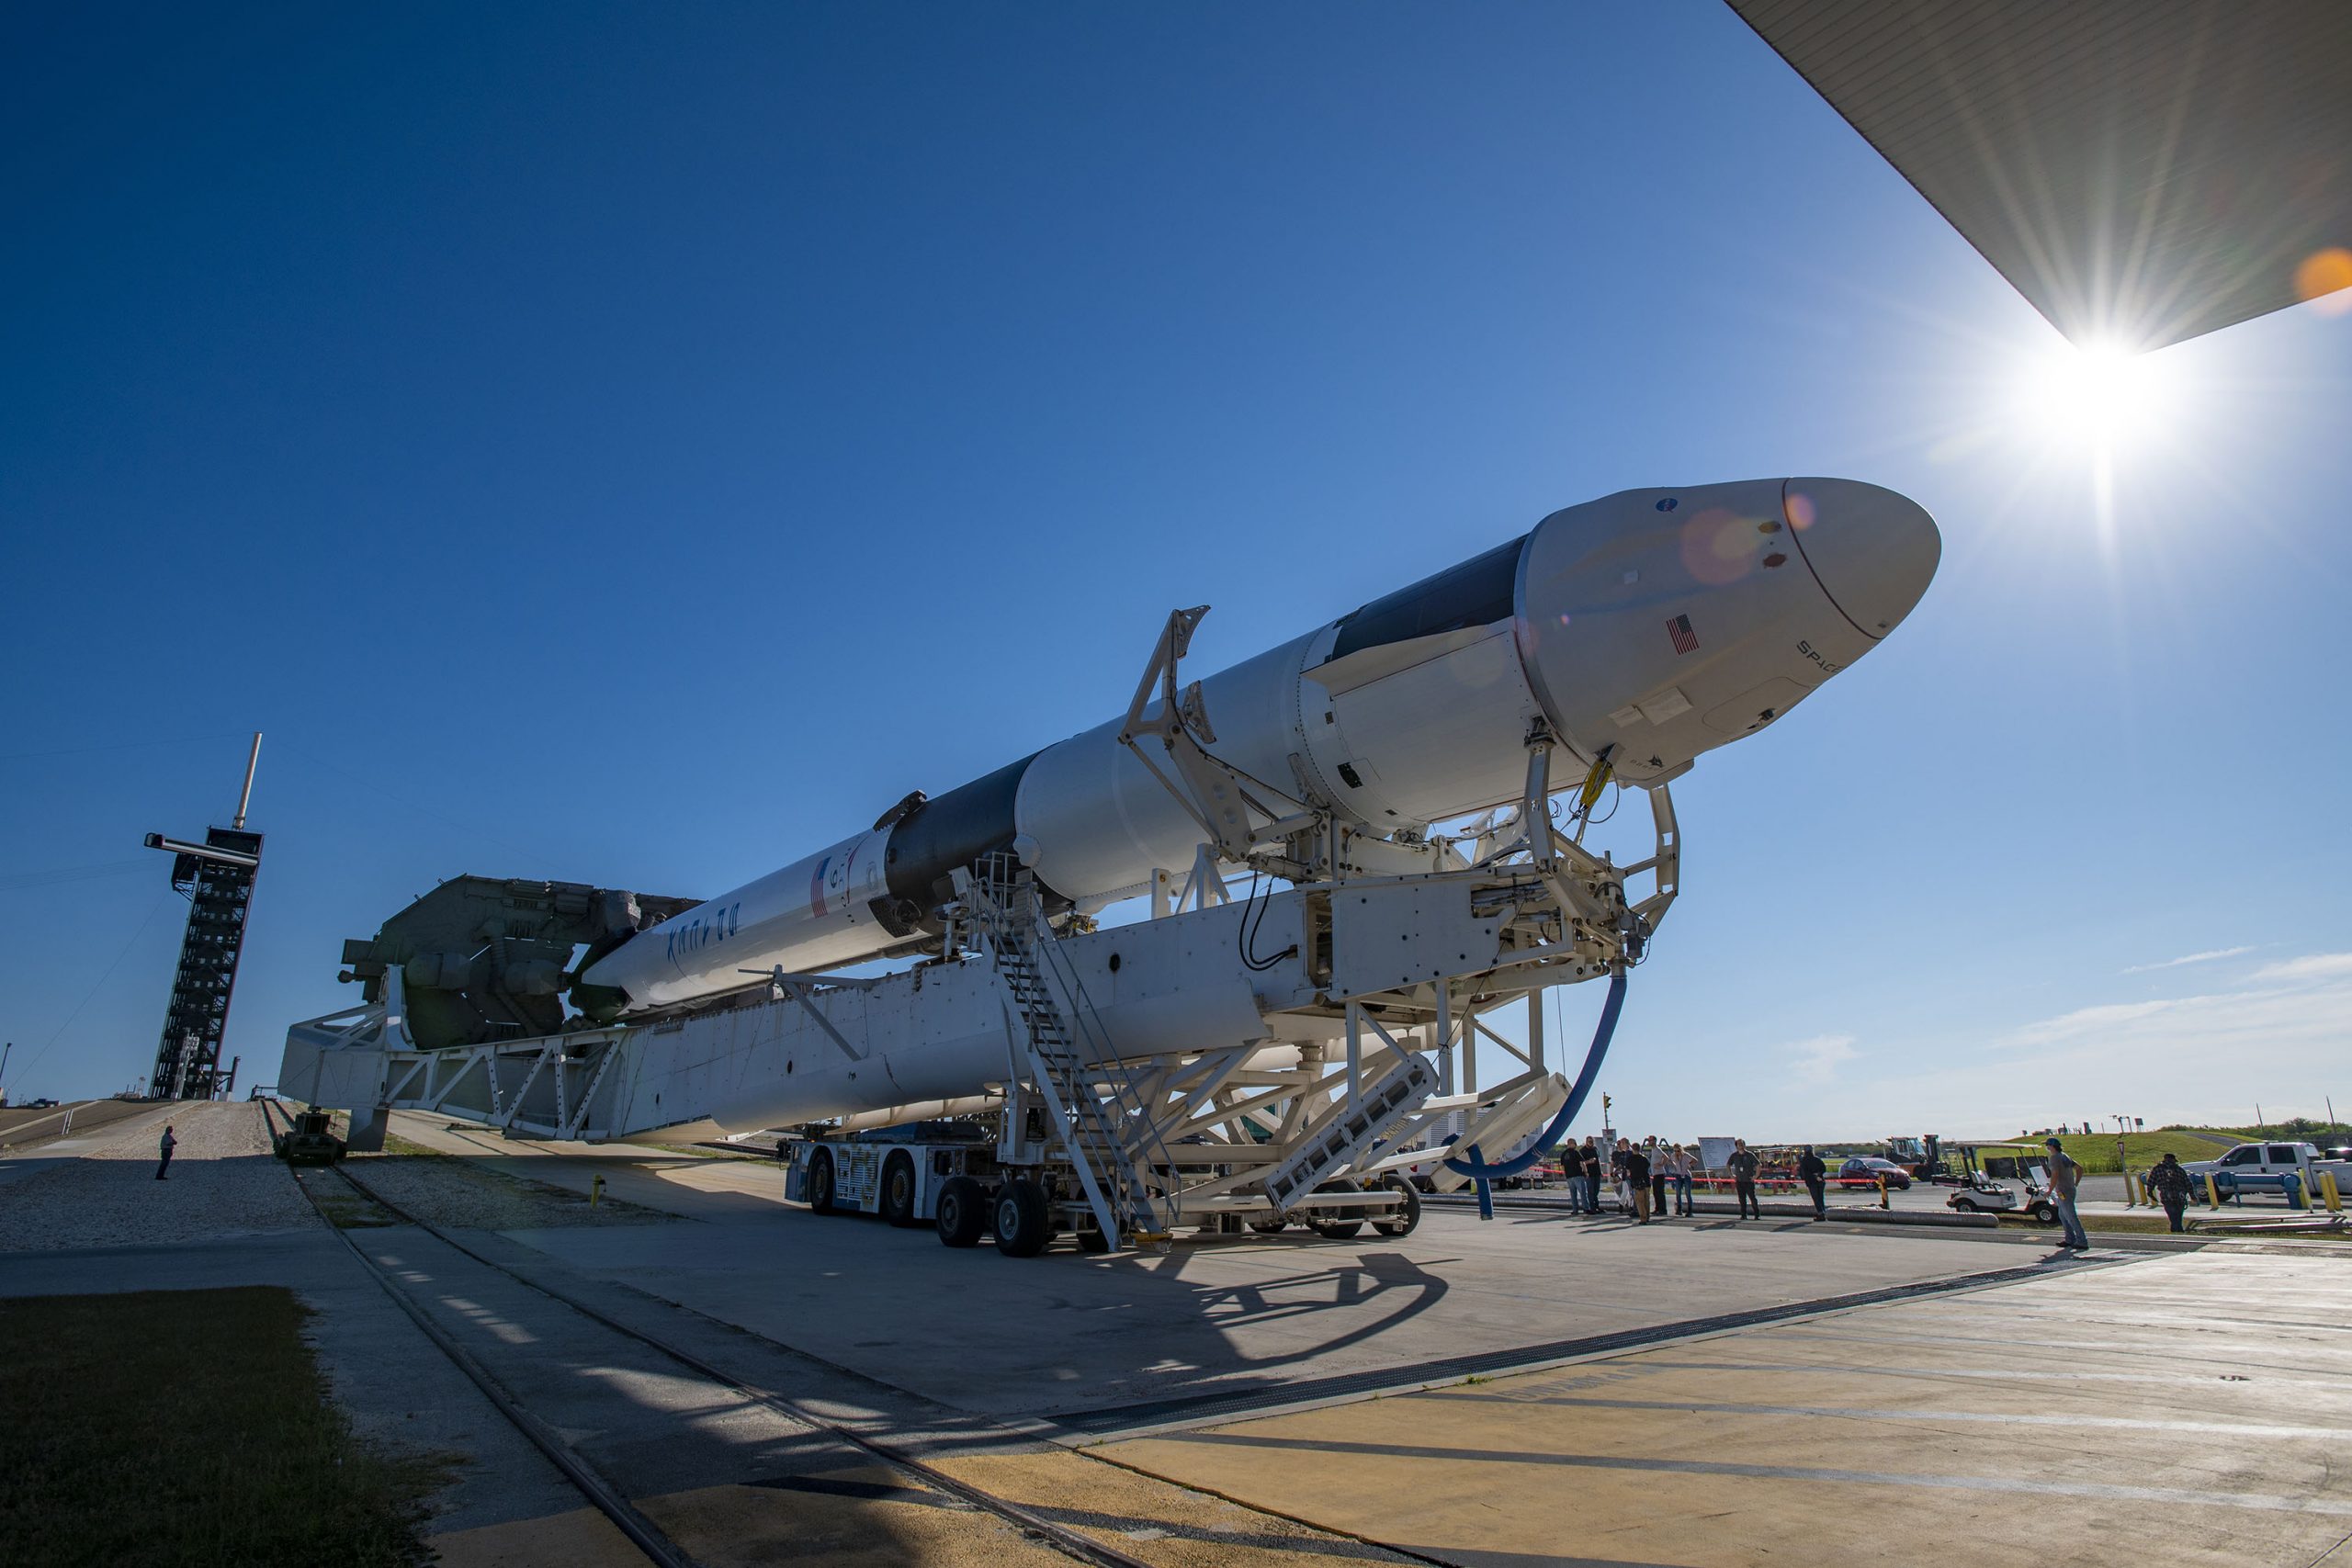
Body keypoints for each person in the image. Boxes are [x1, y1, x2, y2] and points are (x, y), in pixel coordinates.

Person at [2044, 1136, 2090, 1250]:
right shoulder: (2065, 1156)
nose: (2047, 1147)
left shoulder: (2054, 1158)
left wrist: (2050, 1190)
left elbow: (2055, 1174)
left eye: (2047, 1145)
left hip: (2063, 1190)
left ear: (2051, 1146)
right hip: (2068, 1189)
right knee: (2062, 1215)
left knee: (2070, 1216)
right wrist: (2076, 1183)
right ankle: (2070, 1238)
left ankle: (2082, 1240)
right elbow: (2079, 1168)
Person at [2146, 1151, 2193, 1234]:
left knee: (2172, 1214)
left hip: (2166, 1195)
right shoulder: (2179, 1169)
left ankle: (2176, 1230)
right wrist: (2192, 1195)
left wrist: (2150, 1193)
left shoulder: (2157, 1169)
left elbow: (2151, 1182)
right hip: (2180, 1196)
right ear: (2173, 1160)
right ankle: (2178, 1229)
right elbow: (2187, 1183)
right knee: (2178, 1215)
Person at [1728, 1138, 1761, 1219]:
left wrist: (1756, 1176)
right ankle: (1743, 1215)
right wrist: (1732, 1175)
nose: (1741, 1146)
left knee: (1752, 1198)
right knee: (1742, 1199)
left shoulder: (1750, 1155)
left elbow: (1758, 1164)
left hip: (1749, 1180)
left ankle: (1757, 1214)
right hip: (1739, 1181)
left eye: (1742, 1144)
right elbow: (1728, 1165)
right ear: (1736, 1146)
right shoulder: (1734, 1156)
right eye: (1739, 1144)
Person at [1623, 1139, 1653, 1223]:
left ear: (1633, 1149)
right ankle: (1647, 1217)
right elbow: (1647, 1169)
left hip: (1637, 1182)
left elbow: (1628, 1172)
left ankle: (1643, 1218)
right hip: (1646, 1181)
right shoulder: (1644, 1158)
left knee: (1639, 1201)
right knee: (1646, 1200)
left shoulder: (1630, 1159)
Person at [1797, 1145, 1827, 1219]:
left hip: (1811, 1182)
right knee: (1820, 1198)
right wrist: (1818, 1174)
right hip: (1820, 1181)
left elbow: (1803, 1172)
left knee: (1816, 1198)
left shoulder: (1804, 1161)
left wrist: (1806, 1177)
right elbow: (1824, 1168)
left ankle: (1820, 1213)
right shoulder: (1817, 1159)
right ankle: (1823, 1212)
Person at [1646, 1137, 1671, 1219]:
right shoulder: (1653, 1150)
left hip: (1659, 1173)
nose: (1649, 1142)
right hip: (1655, 1174)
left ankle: (1663, 1210)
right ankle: (1657, 1208)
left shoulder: (1657, 1149)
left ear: (1654, 1141)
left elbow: (1666, 1157)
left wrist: (1661, 1164)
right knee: (1655, 1192)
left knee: (1660, 1192)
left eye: (1650, 1140)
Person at [1669, 1144, 1695, 1216]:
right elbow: (1670, 1161)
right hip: (1678, 1175)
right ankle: (1679, 1209)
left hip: (1686, 1175)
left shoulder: (1686, 1155)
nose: (1677, 1152)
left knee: (1688, 1193)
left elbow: (1695, 1160)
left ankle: (1690, 1211)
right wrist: (1675, 1166)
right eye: (1675, 1151)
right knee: (1678, 1193)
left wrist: (1688, 1165)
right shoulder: (1673, 1156)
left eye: (1678, 1150)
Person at [1579, 1138, 1602, 1215]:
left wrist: (1601, 1171)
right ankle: (1592, 1207)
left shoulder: (1595, 1149)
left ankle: (1597, 1206)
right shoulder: (1582, 1151)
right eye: (1589, 1142)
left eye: (1592, 1142)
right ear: (1586, 1142)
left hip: (1597, 1172)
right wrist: (1589, 1161)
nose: (1591, 1143)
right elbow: (1581, 1163)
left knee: (1596, 1190)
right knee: (1590, 1191)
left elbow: (1598, 1160)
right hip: (1589, 1174)